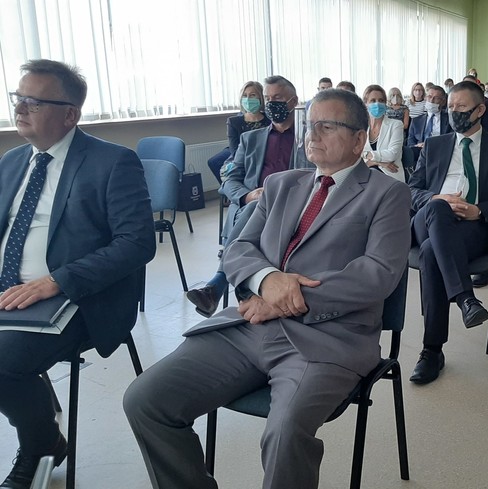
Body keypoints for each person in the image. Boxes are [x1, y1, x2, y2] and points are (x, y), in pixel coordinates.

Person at [124, 88, 412, 489]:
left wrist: (284, 300)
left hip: (327, 337)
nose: (312, 134)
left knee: (285, 433)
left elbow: (377, 273)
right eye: (310, 124)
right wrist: (266, 280)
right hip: (248, 326)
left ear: (359, 138)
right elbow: (238, 248)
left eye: (327, 126)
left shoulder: (387, 193)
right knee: (146, 400)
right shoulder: (281, 184)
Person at [0, 59, 156, 489]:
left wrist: (55, 281)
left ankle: (42, 445)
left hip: (76, 296)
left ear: (70, 114)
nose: (21, 108)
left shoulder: (113, 162)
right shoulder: (11, 161)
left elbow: (137, 243)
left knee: (1, 363)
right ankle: (38, 414)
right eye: (18, 98)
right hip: (10, 289)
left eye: (34, 102)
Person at [408, 81, 488, 385]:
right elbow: (412, 190)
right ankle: (465, 298)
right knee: (437, 208)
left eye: (461, 107)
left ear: (480, 110)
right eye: (450, 107)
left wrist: (479, 210)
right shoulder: (435, 145)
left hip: (475, 227)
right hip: (428, 219)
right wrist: (436, 199)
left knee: (431, 252)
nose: (453, 112)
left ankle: (432, 351)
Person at [185, 76, 309, 317]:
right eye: (268, 98)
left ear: (293, 102)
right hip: (253, 203)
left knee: (255, 210)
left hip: (293, 205)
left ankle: (218, 284)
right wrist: (247, 195)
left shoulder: (306, 138)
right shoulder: (250, 139)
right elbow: (230, 179)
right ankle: (247, 295)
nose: (271, 103)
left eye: (278, 98)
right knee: (254, 208)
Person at [206, 82, 270, 183]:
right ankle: (231, 191)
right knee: (223, 169)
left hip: (264, 156)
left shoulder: (270, 120)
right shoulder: (234, 122)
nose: (248, 99)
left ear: (261, 97)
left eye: (252, 95)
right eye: (245, 95)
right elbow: (235, 151)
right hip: (242, 156)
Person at [362, 84, 405, 183]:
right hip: (365, 175)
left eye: (381, 100)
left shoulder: (396, 125)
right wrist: (379, 163)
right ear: (365, 104)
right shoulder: (361, 127)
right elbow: (354, 155)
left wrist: (366, 155)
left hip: (390, 176)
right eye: (373, 101)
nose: (377, 104)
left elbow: (392, 154)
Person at [406, 85, 453, 158]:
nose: (431, 100)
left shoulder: (450, 119)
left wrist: (432, 145)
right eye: (429, 97)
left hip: (441, 154)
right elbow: (410, 142)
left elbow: (451, 140)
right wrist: (417, 146)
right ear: (425, 98)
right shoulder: (416, 121)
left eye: (436, 98)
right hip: (420, 155)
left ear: (443, 102)